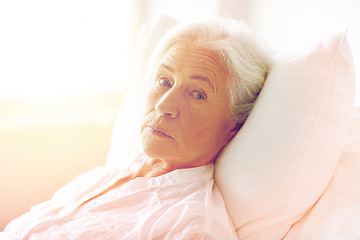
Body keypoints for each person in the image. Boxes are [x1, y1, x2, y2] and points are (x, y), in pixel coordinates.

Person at [1, 18, 271, 239]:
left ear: (233, 127)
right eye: (164, 81)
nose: (165, 105)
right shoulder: (104, 176)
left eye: (197, 94)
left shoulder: (191, 227)